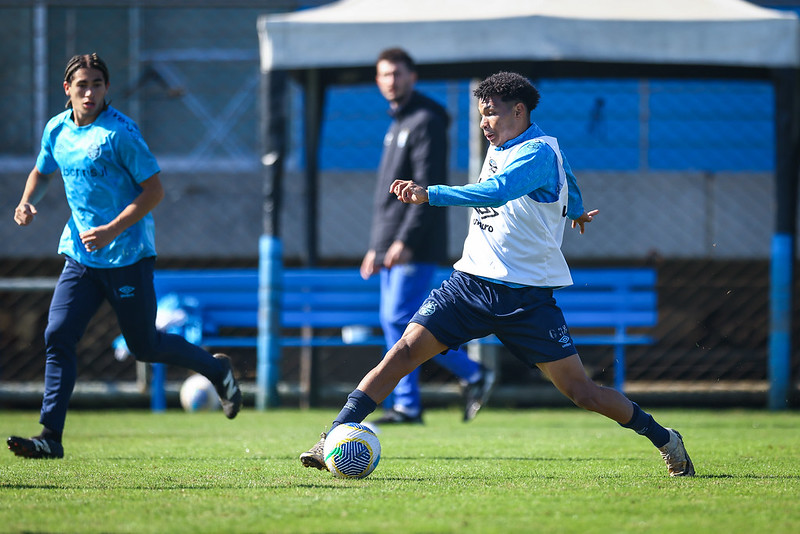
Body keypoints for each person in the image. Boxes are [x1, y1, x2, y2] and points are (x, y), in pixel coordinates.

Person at [301, 71, 694, 477]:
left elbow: (498, 191)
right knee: (402, 351)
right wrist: (575, 208)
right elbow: (570, 178)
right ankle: (332, 435)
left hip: (527, 299)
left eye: (490, 114)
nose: (484, 123)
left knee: (582, 392)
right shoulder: (502, 144)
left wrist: (429, 193)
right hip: (469, 285)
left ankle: (665, 438)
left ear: (519, 111)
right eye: (481, 114)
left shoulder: (538, 153)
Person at [6, 53, 242, 460]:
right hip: (81, 258)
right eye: (82, 85)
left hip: (128, 256)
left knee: (144, 346)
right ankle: (50, 436)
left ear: (106, 89)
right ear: (68, 89)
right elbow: (43, 171)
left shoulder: (120, 134)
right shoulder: (57, 130)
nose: (90, 92)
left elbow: (154, 192)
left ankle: (217, 370)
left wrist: (112, 229)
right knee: (57, 335)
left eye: (97, 84)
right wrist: (27, 201)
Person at [363, 48, 495, 425]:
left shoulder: (425, 121)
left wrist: (404, 241)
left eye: (398, 74)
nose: (391, 81)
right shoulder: (397, 123)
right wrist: (377, 245)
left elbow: (424, 190)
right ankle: (413, 401)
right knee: (394, 321)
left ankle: (464, 377)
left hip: (414, 245)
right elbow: (387, 198)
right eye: (384, 75)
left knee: (402, 317)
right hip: (391, 245)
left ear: (412, 77)